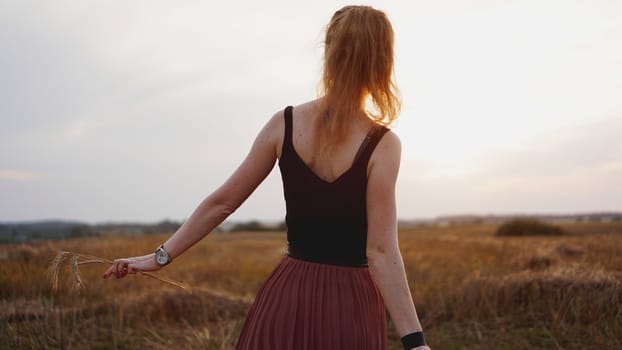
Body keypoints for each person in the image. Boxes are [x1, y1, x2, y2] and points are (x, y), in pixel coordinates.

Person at [103, 5, 430, 350]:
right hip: (349, 306)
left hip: (287, 297)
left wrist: (160, 257)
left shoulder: (284, 124)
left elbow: (222, 203)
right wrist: (415, 341)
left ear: (329, 52)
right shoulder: (383, 145)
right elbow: (380, 251)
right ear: (383, 62)